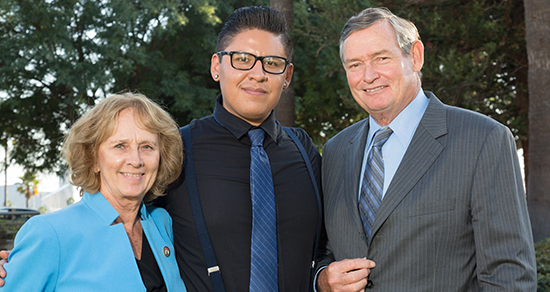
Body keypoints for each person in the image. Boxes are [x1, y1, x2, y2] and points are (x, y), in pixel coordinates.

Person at [315, 7, 537, 291]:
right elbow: (325, 250)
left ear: (416, 56)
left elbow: (509, 277)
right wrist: (322, 279)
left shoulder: (483, 140)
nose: (367, 76)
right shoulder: (334, 151)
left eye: (381, 58)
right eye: (354, 64)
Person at [153, 5, 323, 292]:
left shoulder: (304, 150)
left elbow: (324, 248)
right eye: (242, 59)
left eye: (272, 62)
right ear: (216, 67)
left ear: (287, 76)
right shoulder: (176, 149)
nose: (258, 74)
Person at [0, 93, 187, 291]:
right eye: (120, 146)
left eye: (147, 146)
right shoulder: (49, 234)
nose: (136, 160)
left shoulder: (161, 222)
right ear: (94, 159)